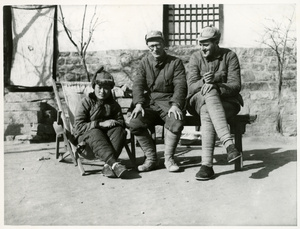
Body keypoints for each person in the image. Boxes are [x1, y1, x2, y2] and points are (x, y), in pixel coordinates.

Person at [186, 25, 244, 180]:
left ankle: (206, 166)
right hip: (198, 101)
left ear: (216, 42)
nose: (202, 48)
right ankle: (228, 145)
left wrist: (217, 85)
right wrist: (204, 82)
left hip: (227, 103)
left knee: (207, 110)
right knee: (208, 94)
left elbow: (236, 85)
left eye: (206, 44)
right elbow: (191, 87)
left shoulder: (230, 56)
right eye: (201, 44)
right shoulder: (195, 58)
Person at [129, 30, 187, 172]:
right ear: (148, 47)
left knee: (176, 120)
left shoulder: (175, 62)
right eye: (151, 46)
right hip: (149, 103)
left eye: (157, 45)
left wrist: (175, 105)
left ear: (163, 44)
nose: (155, 49)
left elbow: (180, 85)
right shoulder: (143, 63)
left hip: (168, 102)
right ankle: (151, 159)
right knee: (135, 122)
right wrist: (138, 104)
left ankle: (169, 159)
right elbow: (138, 84)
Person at [73, 67, 128, 178]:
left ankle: (108, 166)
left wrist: (114, 123)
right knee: (95, 132)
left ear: (111, 89)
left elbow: (121, 121)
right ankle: (114, 164)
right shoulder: (85, 103)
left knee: (120, 130)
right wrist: (100, 124)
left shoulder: (113, 105)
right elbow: (77, 127)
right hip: (87, 145)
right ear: (94, 87)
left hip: (105, 144)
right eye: (99, 87)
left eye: (106, 88)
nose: (102, 91)